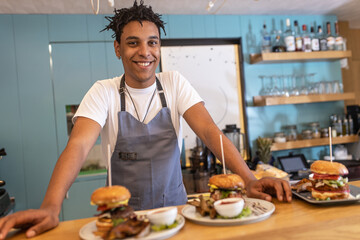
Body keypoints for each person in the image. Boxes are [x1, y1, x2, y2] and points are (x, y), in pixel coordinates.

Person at [0, 0, 292, 238]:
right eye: (133, 43)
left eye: (152, 42)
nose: (145, 51)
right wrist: (51, 206)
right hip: (124, 222)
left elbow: (208, 131)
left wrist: (249, 179)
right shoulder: (104, 92)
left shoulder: (175, 83)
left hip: (175, 216)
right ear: (118, 49)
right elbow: (77, 147)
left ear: (159, 47)